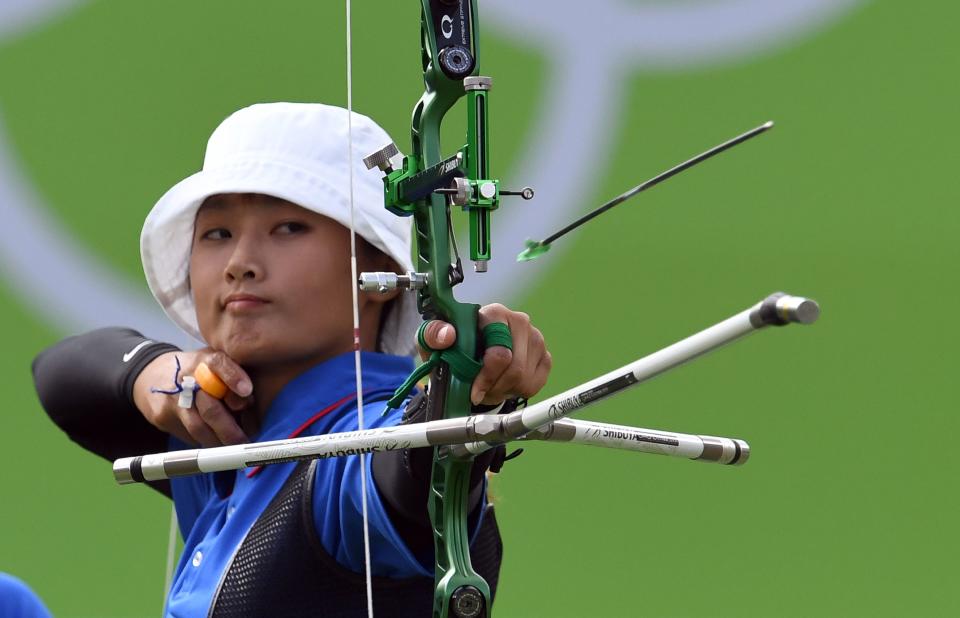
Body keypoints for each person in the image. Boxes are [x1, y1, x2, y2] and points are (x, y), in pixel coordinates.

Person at [32, 103, 551, 617]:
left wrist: (468, 384)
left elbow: (411, 471)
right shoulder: (222, 424)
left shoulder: (354, 446)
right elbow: (60, 376)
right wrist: (154, 375)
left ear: (379, 269)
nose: (240, 264)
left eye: (287, 228)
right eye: (217, 234)